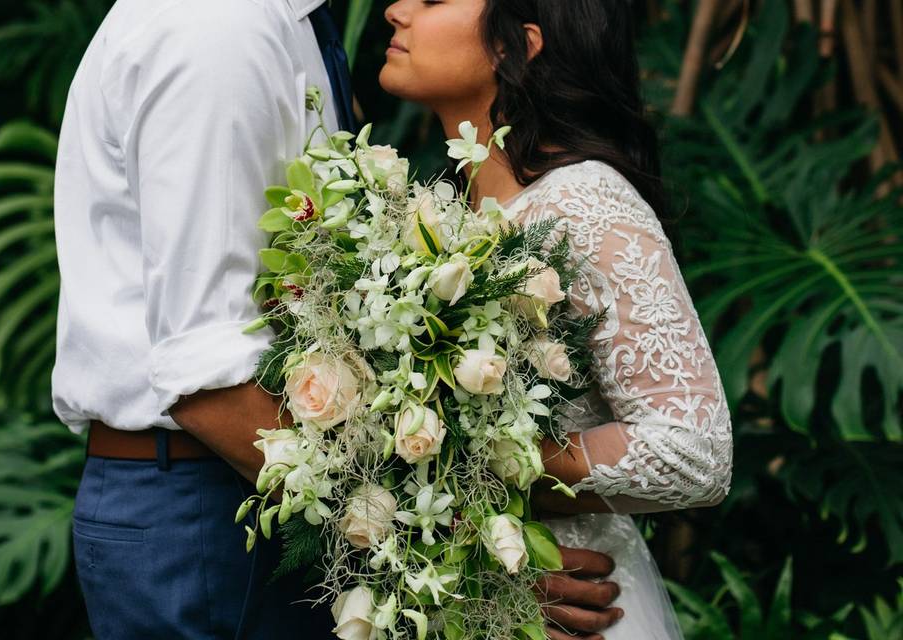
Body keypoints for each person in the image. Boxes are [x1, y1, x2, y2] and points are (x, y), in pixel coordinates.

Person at [52, 0, 621, 637]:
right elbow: (205, 377)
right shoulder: (218, 27)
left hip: (262, 494)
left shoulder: (283, 26)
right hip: (211, 513)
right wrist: (469, 560)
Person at [379, 1, 734, 639]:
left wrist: (484, 469)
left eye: (434, 0)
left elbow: (693, 451)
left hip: (571, 609)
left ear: (517, 47)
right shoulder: (438, 215)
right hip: (451, 595)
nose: (397, 9)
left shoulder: (583, 200)